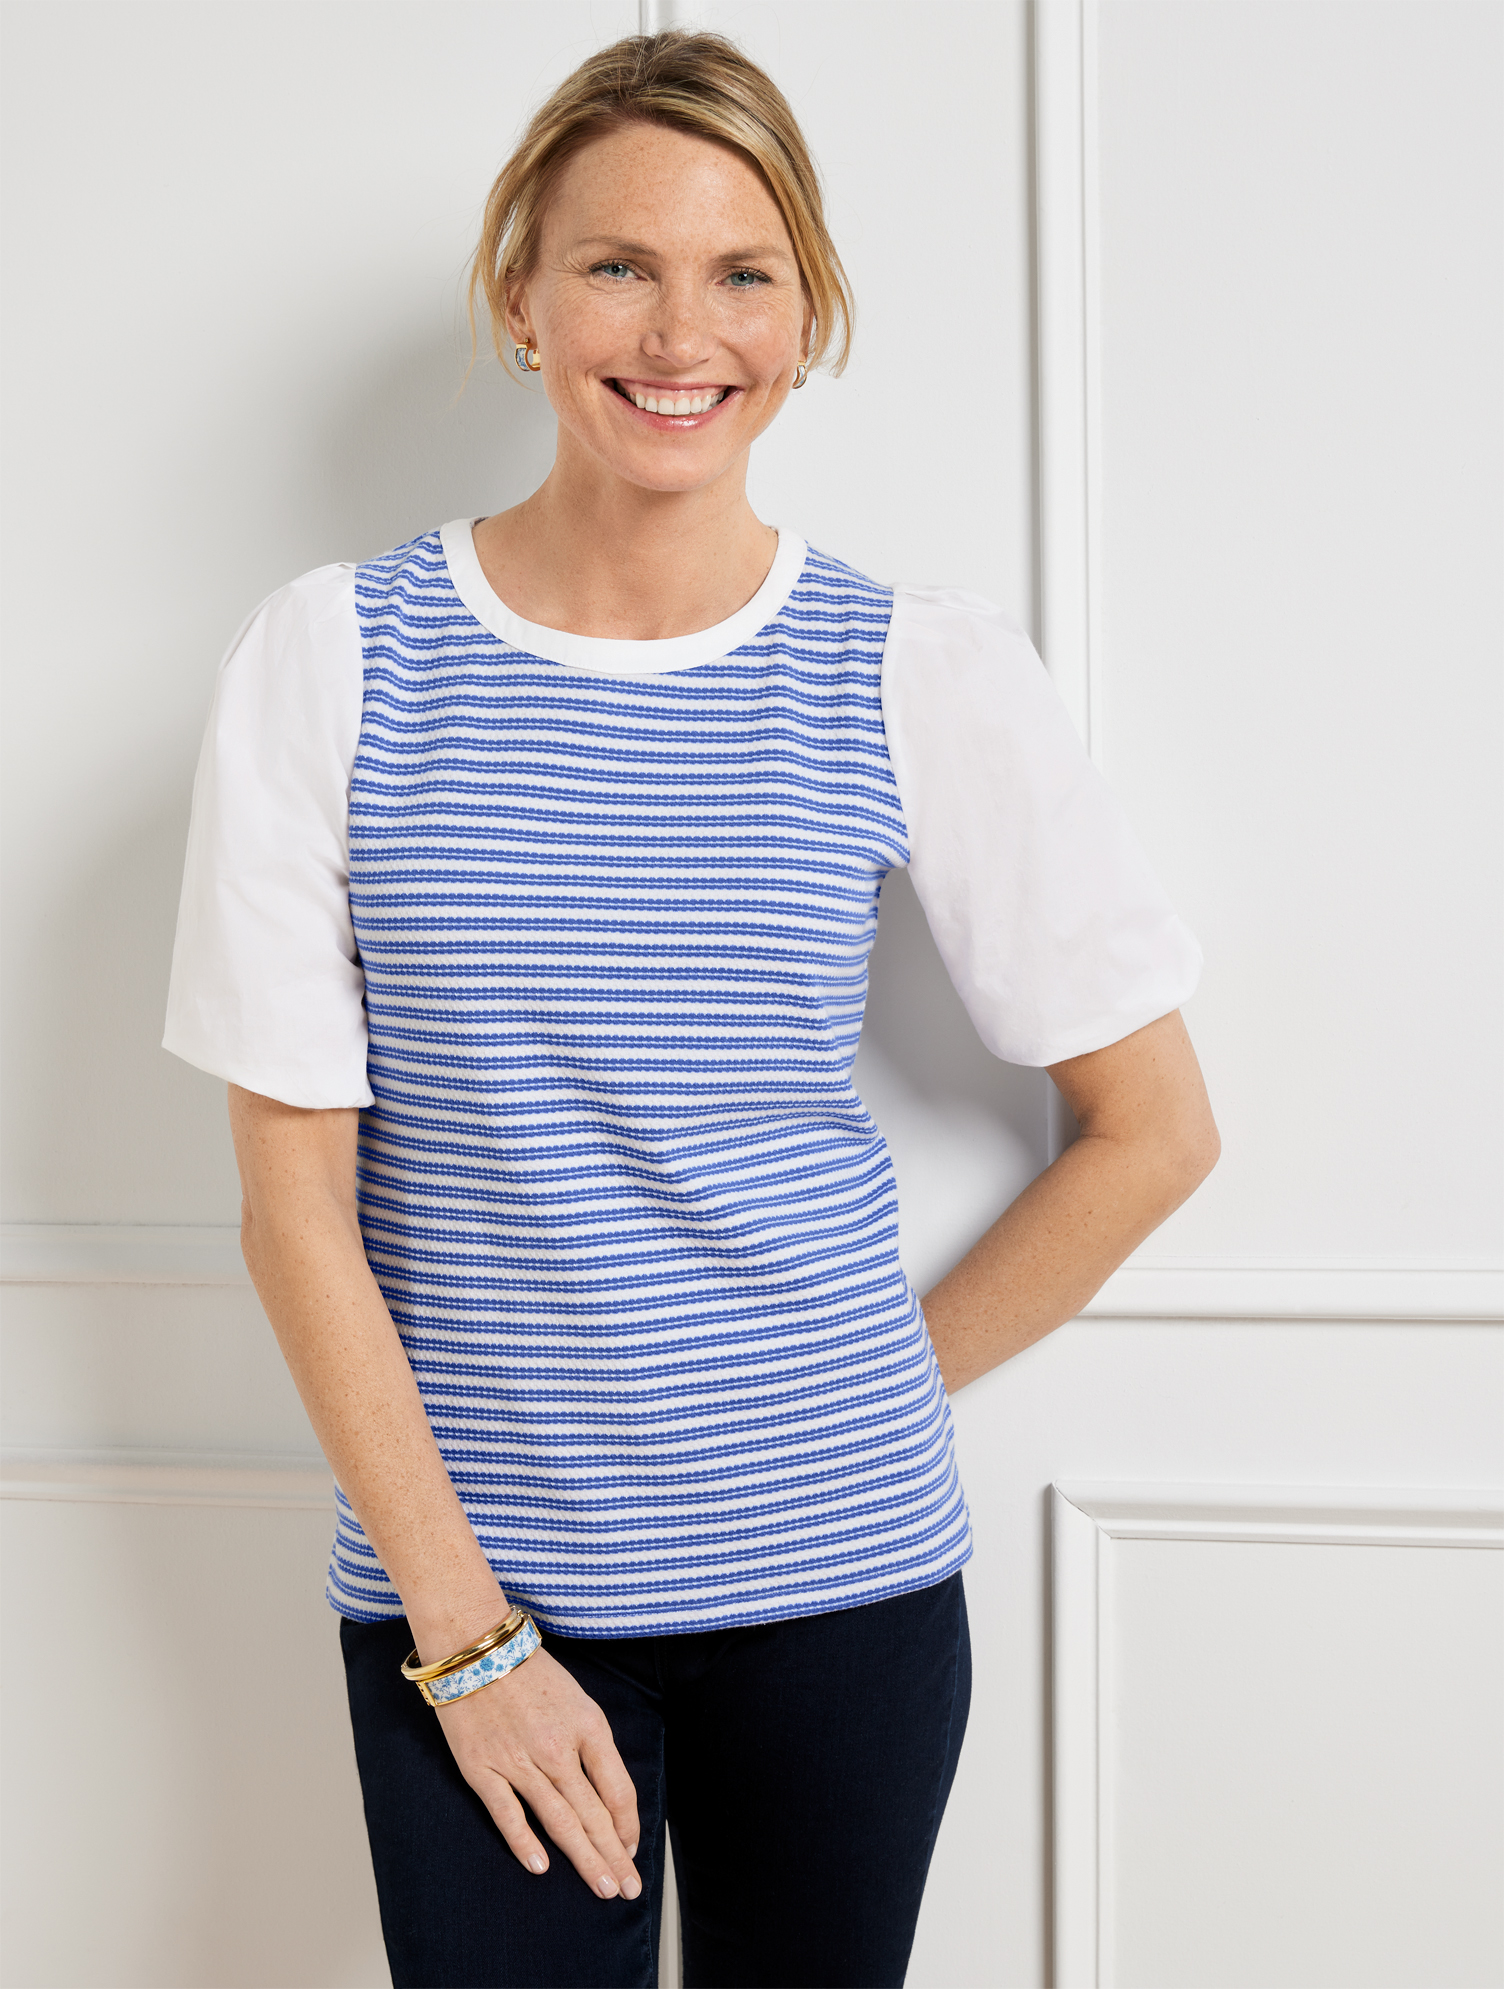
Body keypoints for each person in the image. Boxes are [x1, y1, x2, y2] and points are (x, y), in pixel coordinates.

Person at [164, 28, 1217, 1989]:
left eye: (743, 271)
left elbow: (1153, 1129)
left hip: (844, 1593)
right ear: (521, 295)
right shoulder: (333, 660)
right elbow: (291, 1201)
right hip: (468, 1599)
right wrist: (467, 1634)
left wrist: (857, 1393)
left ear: (806, 313)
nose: (680, 331)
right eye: (616, 265)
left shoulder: (915, 672)